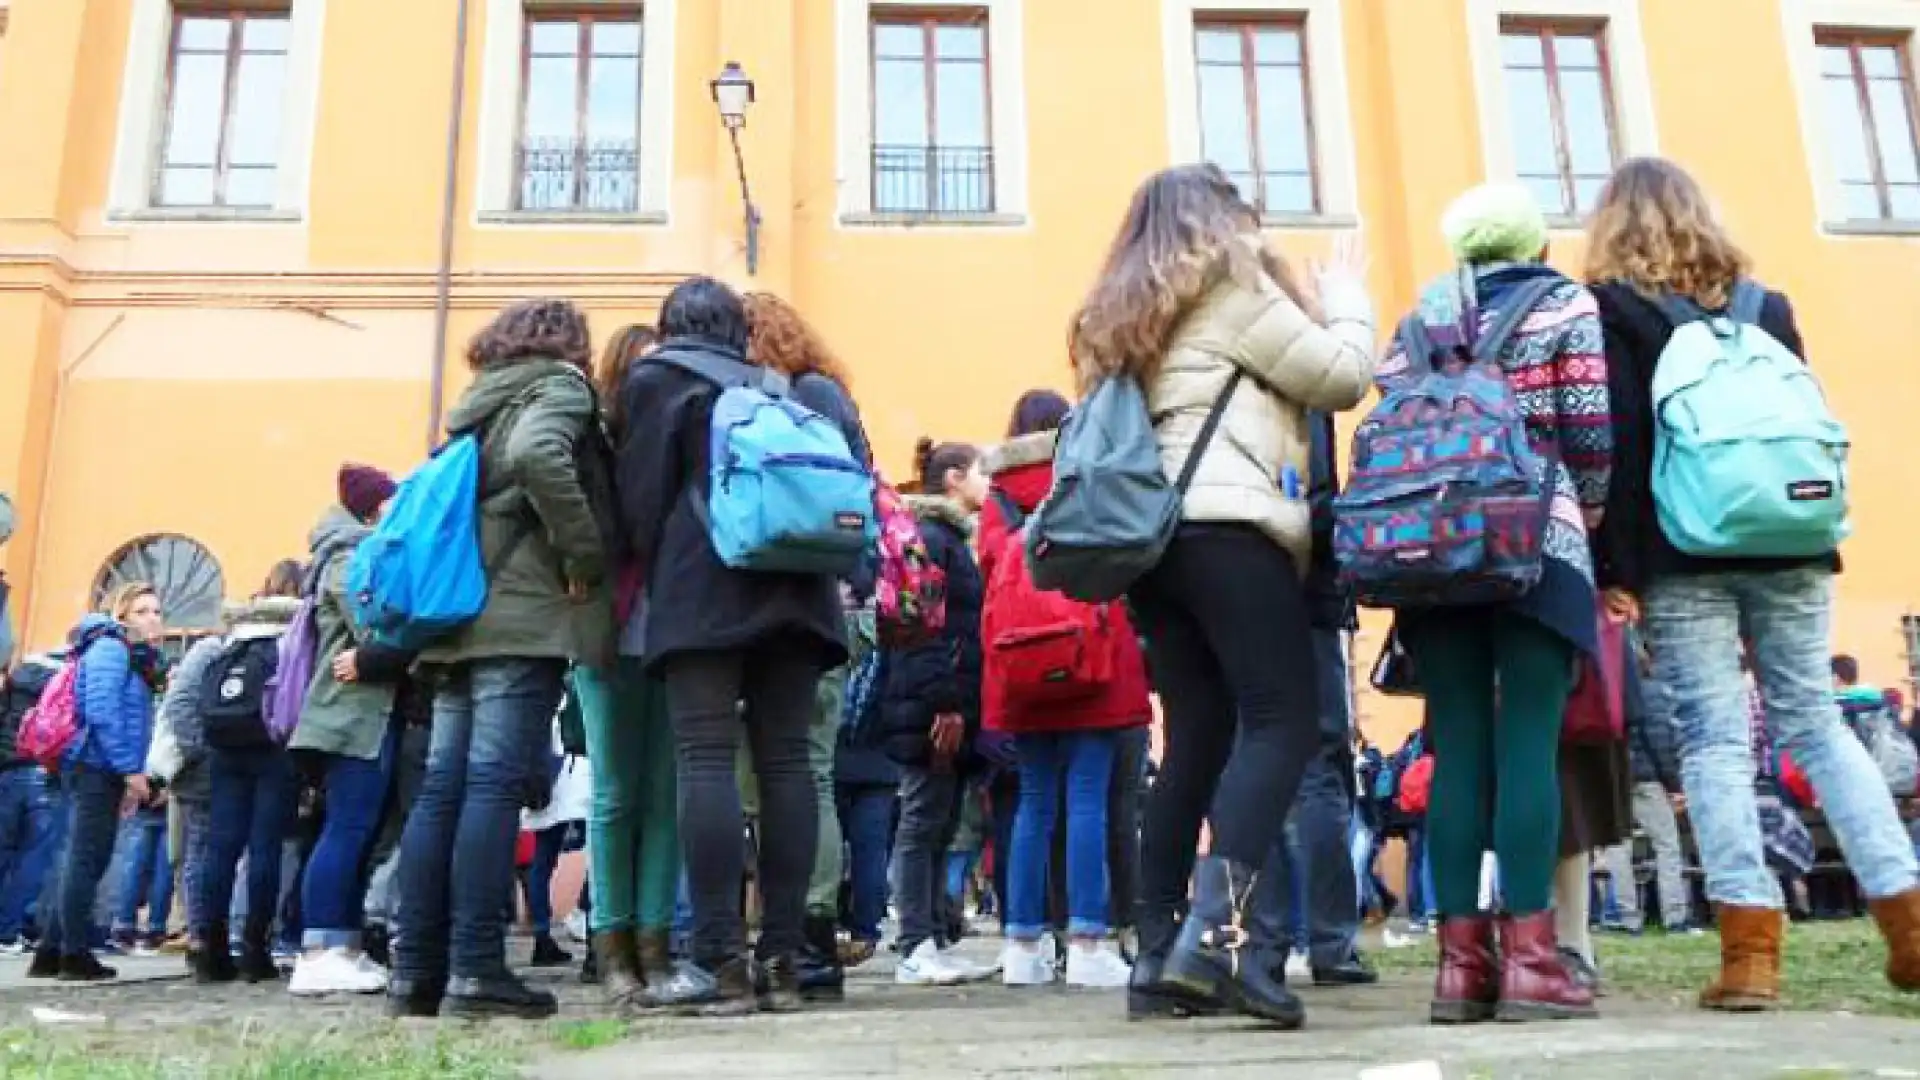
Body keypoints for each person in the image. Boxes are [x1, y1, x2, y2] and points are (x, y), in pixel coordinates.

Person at [1587, 156, 1920, 1009]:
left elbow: (1620, 448)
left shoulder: (1615, 309)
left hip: (1681, 548)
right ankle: (1910, 924)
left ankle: (1751, 958)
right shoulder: (1765, 306)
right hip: (1795, 539)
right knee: (1817, 725)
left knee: (1715, 741)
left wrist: (1616, 570)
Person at [1073, 164, 1375, 1026]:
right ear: (1222, 221)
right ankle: (1223, 943)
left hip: (1154, 544)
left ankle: (1160, 955)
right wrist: (1346, 298)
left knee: (1197, 740)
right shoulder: (1231, 289)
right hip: (1231, 530)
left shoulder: (1124, 315)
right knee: (1282, 721)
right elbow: (1343, 375)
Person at [1380, 183, 1612, 1025]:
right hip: (1535, 548)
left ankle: (1458, 968)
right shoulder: (1563, 307)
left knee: (1459, 748)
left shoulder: (1415, 325)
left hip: (1432, 552)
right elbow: (1589, 434)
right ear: (1535, 243)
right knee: (1529, 743)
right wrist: (1578, 518)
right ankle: (1533, 965)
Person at [616, 277, 847, 1015]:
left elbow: (640, 501)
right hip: (801, 590)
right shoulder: (781, 385)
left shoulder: (659, 379)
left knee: (706, 759)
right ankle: (782, 961)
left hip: (704, 587)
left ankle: (720, 965)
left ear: (670, 325)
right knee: (787, 767)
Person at [389, 298, 618, 1021]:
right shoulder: (558, 387)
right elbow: (538, 456)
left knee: (442, 790)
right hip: (517, 617)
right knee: (489, 787)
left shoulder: (474, 402)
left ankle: (414, 972)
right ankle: (477, 970)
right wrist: (583, 551)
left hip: (457, 613)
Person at [978, 390, 1151, 990]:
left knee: (1032, 802)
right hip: (1092, 660)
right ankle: (1086, 941)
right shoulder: (1087, 474)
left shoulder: (997, 496)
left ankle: (1023, 943)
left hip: (1022, 665)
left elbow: (989, 567)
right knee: (1087, 801)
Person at [743, 291, 874, 1002]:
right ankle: (811, 937)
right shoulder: (829, 395)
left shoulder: (746, 401)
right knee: (808, 769)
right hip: (832, 597)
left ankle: (795, 930)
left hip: (764, 601)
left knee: (779, 775)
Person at [1251, 406, 1378, 991]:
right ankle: (1332, 943)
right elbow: (1321, 503)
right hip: (1307, 599)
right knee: (1320, 771)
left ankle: (1265, 943)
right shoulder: (1307, 383)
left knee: (1252, 765)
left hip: (1235, 589)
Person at [574, 323, 681, 1014]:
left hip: (672, 633)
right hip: (605, 634)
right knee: (614, 794)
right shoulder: (596, 448)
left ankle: (656, 945)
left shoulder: (674, 448)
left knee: (665, 795)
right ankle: (611, 945)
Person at [287, 465, 414, 997]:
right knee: (346, 828)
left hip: (366, 712)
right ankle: (318, 950)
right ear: (371, 507)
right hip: (349, 715)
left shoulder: (357, 549)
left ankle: (347, 945)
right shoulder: (346, 554)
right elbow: (370, 623)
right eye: (388, 501)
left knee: (360, 832)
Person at [880, 439, 989, 988]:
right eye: (980, 473)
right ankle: (915, 944)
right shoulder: (932, 539)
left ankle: (932, 939)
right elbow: (925, 628)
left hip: (944, 701)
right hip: (929, 705)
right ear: (952, 478)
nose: (986, 485)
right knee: (923, 819)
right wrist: (944, 703)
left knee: (941, 820)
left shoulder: (949, 540)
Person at [30, 583, 165, 982]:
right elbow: (102, 711)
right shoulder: (111, 648)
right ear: (122, 615)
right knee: (87, 858)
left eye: (157, 611)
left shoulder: (133, 656)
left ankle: (51, 950)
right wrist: (129, 770)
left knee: (84, 857)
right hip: (95, 764)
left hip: (100, 764)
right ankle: (73, 953)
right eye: (141, 611)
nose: (153, 618)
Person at [182, 586, 302, 985]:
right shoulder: (289, 645)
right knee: (264, 848)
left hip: (224, 749)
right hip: (271, 749)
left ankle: (211, 947)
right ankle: (255, 949)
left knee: (220, 847)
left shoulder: (229, 647)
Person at [1600, 639, 1694, 935]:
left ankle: (1627, 918)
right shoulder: (1656, 693)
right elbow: (1662, 742)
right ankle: (1674, 916)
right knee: (1666, 847)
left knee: (1618, 850)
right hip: (1649, 779)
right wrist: (1673, 784)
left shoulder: (1607, 690)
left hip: (1615, 778)